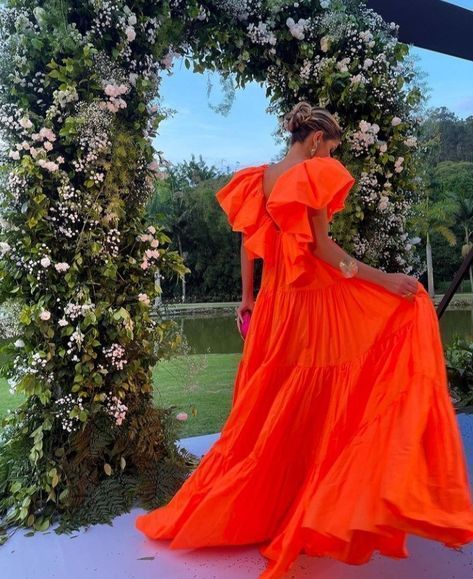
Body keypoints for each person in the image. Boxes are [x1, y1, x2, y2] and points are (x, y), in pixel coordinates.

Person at [135, 102, 473, 578]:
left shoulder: (258, 179)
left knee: (275, 404)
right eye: (331, 149)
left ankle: (276, 505)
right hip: (314, 302)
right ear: (316, 141)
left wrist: (247, 299)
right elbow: (322, 248)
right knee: (327, 393)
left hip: (275, 304)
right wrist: (385, 280)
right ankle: (310, 505)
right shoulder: (313, 173)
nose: (330, 157)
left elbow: (248, 244)